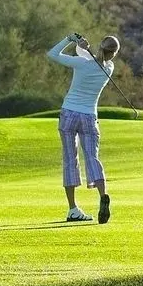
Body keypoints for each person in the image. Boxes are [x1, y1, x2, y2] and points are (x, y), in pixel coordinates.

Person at [47, 32, 118, 222]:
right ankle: (103, 195)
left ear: (99, 47)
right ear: (114, 54)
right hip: (89, 115)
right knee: (92, 158)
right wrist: (85, 49)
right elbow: (95, 59)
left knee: (71, 160)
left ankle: (73, 209)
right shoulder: (109, 68)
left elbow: (52, 54)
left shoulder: (81, 63)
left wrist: (71, 40)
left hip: (69, 113)